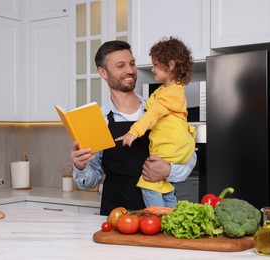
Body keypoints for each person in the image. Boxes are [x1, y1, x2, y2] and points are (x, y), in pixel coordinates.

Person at [71, 40, 197, 215]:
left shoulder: (160, 108)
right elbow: (90, 181)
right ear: (103, 72)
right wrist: (81, 166)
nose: (130, 70)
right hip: (116, 217)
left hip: (160, 216)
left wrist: (168, 170)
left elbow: (190, 158)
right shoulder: (96, 120)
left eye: (132, 64)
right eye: (120, 66)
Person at [115, 37, 196, 207]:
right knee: (166, 189)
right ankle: (170, 214)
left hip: (169, 149)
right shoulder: (166, 90)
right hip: (116, 202)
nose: (152, 69)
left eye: (155, 65)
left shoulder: (170, 95)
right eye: (120, 66)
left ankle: (157, 214)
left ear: (171, 65)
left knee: (150, 184)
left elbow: (153, 114)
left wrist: (133, 132)